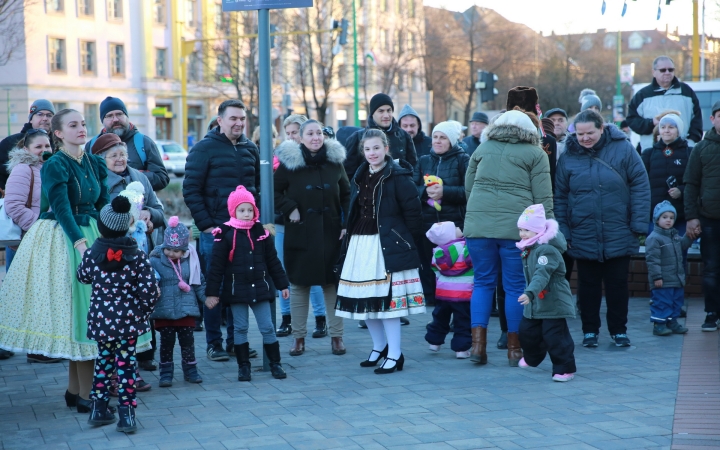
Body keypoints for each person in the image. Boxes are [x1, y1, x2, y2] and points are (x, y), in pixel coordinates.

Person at [0, 109, 153, 413]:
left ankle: (76, 391)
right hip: (61, 237)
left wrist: (117, 227)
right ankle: (85, 394)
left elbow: (99, 204)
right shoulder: (55, 164)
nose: (81, 129)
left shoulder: (94, 161)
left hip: (92, 231)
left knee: (91, 310)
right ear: (58, 133)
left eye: (83, 124)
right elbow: (60, 208)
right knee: (80, 313)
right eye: (73, 125)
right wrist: (82, 245)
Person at [464, 108, 553, 367]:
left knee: (482, 283)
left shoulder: (483, 148)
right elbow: (543, 198)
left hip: (478, 227)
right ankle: (515, 350)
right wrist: (546, 228)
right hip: (517, 229)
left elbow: (470, 187)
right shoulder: (536, 153)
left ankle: (478, 347)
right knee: (515, 286)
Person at [555, 109, 650, 348]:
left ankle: (619, 331)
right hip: (582, 231)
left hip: (619, 230)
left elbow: (640, 184)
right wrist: (563, 231)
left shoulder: (624, 148)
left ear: (602, 128)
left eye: (590, 133)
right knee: (587, 285)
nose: (585, 138)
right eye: (580, 134)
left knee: (617, 284)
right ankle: (590, 331)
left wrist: (638, 225)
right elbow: (560, 197)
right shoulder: (568, 156)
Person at [335, 129, 425, 374]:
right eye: (367, 149)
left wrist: (403, 241)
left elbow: (414, 215)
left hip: (386, 245)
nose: (372, 153)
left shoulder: (398, 176)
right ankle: (379, 347)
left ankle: (395, 354)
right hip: (360, 243)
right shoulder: (359, 175)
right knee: (365, 301)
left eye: (376, 148)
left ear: (386, 149)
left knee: (388, 304)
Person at [183, 99, 260, 362]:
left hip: (243, 231)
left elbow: (256, 190)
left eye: (242, 119)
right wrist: (207, 226)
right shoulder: (203, 149)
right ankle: (213, 342)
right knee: (213, 287)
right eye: (233, 119)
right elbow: (191, 190)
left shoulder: (251, 148)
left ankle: (236, 341)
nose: (238, 123)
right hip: (214, 231)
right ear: (220, 121)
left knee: (238, 287)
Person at [77, 195, 157, 433]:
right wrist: (142, 312)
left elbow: (82, 277)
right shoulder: (137, 255)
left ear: (101, 227)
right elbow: (150, 290)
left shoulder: (93, 253)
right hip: (128, 322)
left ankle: (98, 409)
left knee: (103, 363)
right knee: (126, 366)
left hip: (102, 321)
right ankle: (127, 416)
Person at [274, 120, 350, 356]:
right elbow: (272, 192)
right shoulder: (289, 163)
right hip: (300, 232)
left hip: (331, 232)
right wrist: (290, 207)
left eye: (319, 133)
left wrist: (346, 224)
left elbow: (347, 194)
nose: (315, 137)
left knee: (331, 285)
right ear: (301, 137)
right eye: (310, 133)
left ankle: (337, 337)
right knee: (299, 286)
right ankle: (298, 338)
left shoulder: (335, 162)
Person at [92, 133, 165, 375]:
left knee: (145, 297)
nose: (120, 159)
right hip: (116, 254)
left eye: (123, 154)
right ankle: (119, 364)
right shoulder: (100, 182)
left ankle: (145, 353)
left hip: (142, 250)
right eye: (114, 155)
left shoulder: (139, 178)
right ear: (102, 160)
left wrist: (150, 216)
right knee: (123, 304)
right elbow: (99, 216)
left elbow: (158, 209)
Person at [205, 186, 290, 381]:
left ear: (255, 211)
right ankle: (244, 367)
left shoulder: (261, 233)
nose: (246, 214)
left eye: (250, 210)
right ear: (233, 211)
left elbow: (273, 262)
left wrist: (282, 285)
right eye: (242, 210)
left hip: (260, 287)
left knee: (267, 326)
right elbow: (216, 268)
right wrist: (212, 293)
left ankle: (275, 364)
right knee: (240, 328)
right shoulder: (225, 234)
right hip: (237, 290)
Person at [2, 129, 59, 363]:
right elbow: (13, 205)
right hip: (33, 239)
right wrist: (38, 226)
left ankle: (46, 345)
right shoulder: (23, 169)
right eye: (39, 147)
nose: (44, 151)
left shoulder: (49, 168)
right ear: (26, 149)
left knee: (48, 292)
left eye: (48, 146)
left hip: (50, 239)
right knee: (36, 293)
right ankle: (37, 350)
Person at [274, 114, 328, 339]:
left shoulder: (318, 159)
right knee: (284, 271)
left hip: (311, 225)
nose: (291, 137)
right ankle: (286, 318)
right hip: (284, 223)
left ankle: (320, 319)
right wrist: (288, 207)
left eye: (295, 132)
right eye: (288, 133)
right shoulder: (283, 159)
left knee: (312, 271)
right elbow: (275, 189)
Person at [515, 204, 576, 382]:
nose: (522, 234)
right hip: (536, 302)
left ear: (539, 231)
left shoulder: (546, 250)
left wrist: (529, 293)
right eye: (520, 230)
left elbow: (542, 276)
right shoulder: (529, 249)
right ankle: (533, 357)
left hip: (552, 301)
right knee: (526, 332)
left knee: (555, 336)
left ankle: (564, 368)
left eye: (527, 230)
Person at [413, 121, 470, 307]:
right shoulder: (423, 160)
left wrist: (445, 192)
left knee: (453, 270)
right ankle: (434, 308)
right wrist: (425, 192)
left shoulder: (463, 160)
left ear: (452, 141)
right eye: (435, 136)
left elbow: (470, 191)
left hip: (454, 225)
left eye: (443, 137)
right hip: (428, 226)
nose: (437, 141)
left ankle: (454, 307)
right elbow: (412, 188)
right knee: (429, 269)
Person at [149, 217, 204, 387]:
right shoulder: (155, 261)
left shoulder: (191, 260)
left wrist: (206, 298)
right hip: (164, 311)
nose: (172, 254)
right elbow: (149, 283)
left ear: (184, 250)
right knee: (166, 343)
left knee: (187, 342)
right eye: (169, 249)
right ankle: (166, 373)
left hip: (186, 309)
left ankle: (190, 370)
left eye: (177, 251)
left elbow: (198, 281)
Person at [684, 100, 720, 332]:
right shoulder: (701, 148)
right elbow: (691, 184)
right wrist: (691, 216)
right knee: (711, 269)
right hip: (710, 220)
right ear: (713, 119)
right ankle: (711, 314)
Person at [84, 97, 169, 192]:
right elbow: (84, 179)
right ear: (102, 120)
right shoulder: (92, 146)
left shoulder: (144, 143)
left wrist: (128, 177)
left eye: (119, 114)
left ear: (127, 116)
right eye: (109, 116)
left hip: (138, 205)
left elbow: (161, 178)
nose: (115, 119)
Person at [627, 56, 703, 150]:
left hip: (683, 151)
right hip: (652, 152)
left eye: (670, 70)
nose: (667, 73)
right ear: (654, 72)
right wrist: (651, 123)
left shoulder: (686, 92)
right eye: (663, 70)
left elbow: (697, 120)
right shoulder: (642, 95)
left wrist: (691, 141)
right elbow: (631, 120)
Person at [424, 222, 472, 359]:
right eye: (455, 227)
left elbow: (435, 271)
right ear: (450, 235)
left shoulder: (438, 252)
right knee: (462, 320)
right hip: (464, 294)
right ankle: (461, 349)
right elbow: (474, 263)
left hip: (443, 293)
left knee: (439, 317)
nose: (459, 228)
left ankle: (434, 342)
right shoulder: (466, 247)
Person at [641, 113, 691, 240]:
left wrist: (682, 190)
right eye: (663, 127)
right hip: (655, 216)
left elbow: (697, 181)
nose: (666, 130)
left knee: (679, 254)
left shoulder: (690, 153)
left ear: (679, 130)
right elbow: (640, 183)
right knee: (656, 254)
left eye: (671, 127)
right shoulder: (648, 154)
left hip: (680, 215)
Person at [343, 93, 417, 178]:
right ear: (372, 113)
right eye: (381, 111)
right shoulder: (357, 138)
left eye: (389, 110)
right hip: (369, 189)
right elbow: (348, 173)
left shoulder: (404, 136)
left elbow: (414, 168)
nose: (386, 115)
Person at [645, 201, 692, 336]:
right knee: (662, 302)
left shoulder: (674, 236)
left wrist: (690, 236)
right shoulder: (654, 238)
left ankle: (673, 322)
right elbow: (652, 260)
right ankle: (659, 324)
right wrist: (657, 277)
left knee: (676, 302)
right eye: (664, 217)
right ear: (657, 219)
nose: (668, 220)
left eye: (671, 218)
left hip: (676, 278)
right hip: (662, 279)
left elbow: (682, 245)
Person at [0, 99, 55, 190]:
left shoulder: (60, 143)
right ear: (31, 119)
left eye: (49, 115)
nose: (45, 118)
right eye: (40, 114)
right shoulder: (10, 142)